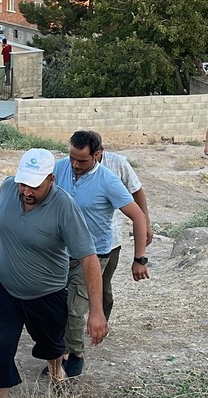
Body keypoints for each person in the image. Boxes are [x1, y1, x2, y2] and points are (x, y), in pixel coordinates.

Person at [0, 148, 105, 398]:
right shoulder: (9, 188)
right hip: (2, 289)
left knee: (50, 344)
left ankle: (56, 370)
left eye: (34, 185)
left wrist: (96, 311)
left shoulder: (65, 207)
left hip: (46, 293)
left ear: (51, 179)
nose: (26, 191)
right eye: (23, 183)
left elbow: (88, 258)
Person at [53, 130, 149, 377]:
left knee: (75, 308)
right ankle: (57, 353)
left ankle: (75, 354)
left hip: (94, 255)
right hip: (60, 253)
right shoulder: (59, 168)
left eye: (82, 161)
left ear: (97, 155)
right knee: (54, 304)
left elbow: (137, 215)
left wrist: (139, 259)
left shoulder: (108, 180)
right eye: (72, 158)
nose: (75, 165)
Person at [92, 131, 153, 321]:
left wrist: (146, 223)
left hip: (111, 239)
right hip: (82, 238)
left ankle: (101, 320)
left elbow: (136, 191)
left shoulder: (118, 164)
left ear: (100, 151)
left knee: (103, 284)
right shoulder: (72, 166)